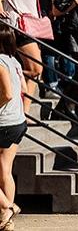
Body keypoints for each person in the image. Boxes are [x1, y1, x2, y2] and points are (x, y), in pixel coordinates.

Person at [0, 0, 46, 94]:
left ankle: (25, 113)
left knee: (35, 73)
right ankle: (8, 76)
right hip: (18, 26)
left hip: (32, 26)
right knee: (35, 69)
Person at [0, 24, 27, 228]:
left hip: (3, 122)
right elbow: (23, 89)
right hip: (17, 121)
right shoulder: (14, 61)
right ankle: (6, 219)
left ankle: (6, 207)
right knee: (5, 171)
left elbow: (7, 94)